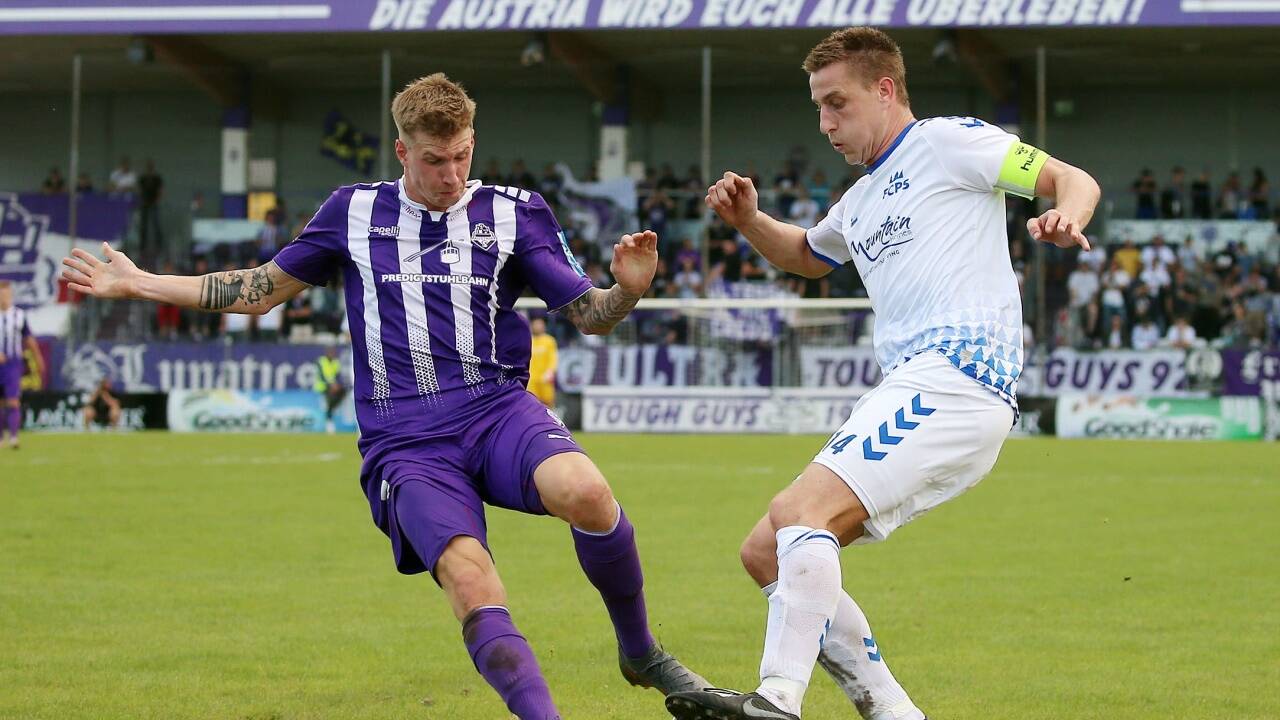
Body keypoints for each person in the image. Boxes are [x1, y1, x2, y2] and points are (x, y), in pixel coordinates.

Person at [61, 72, 706, 720]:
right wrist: (143, 283)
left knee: (589, 493)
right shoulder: (352, 211)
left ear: (472, 142)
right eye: (433, 160)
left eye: (461, 157)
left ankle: (640, 651)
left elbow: (589, 315)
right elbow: (259, 289)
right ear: (402, 152)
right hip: (407, 441)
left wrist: (627, 290)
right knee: (470, 578)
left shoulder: (515, 212)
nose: (451, 175)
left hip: (494, 409)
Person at [666, 27, 1100, 720]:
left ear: (886, 89)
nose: (826, 123)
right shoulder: (863, 199)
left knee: (800, 516)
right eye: (818, 107)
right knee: (765, 551)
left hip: (959, 377)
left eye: (838, 103)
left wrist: (1065, 214)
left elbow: (1069, 178)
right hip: (917, 385)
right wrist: (750, 220)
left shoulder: (946, 141)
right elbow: (809, 255)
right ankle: (894, 712)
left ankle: (776, 699)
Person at [1, 280, 44, 450]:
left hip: (13, 363)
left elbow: (29, 339)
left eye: (6, 294)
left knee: (12, 401)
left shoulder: (19, 316)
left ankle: (13, 437)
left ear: (10, 295)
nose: (3, 297)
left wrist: (38, 358)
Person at [314, 345, 347, 434]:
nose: (332, 354)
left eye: (333, 353)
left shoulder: (336, 362)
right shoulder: (321, 361)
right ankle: (329, 423)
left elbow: (338, 375)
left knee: (343, 391)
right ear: (327, 353)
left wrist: (337, 385)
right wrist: (332, 385)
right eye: (330, 353)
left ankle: (331, 411)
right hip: (323, 387)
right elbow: (321, 376)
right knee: (329, 404)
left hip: (333, 387)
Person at [527, 316, 558, 409]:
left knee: (548, 403)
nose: (538, 326)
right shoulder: (528, 340)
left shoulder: (549, 341)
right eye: (536, 324)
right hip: (531, 379)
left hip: (545, 378)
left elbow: (553, 358)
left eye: (540, 324)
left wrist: (551, 371)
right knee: (532, 403)